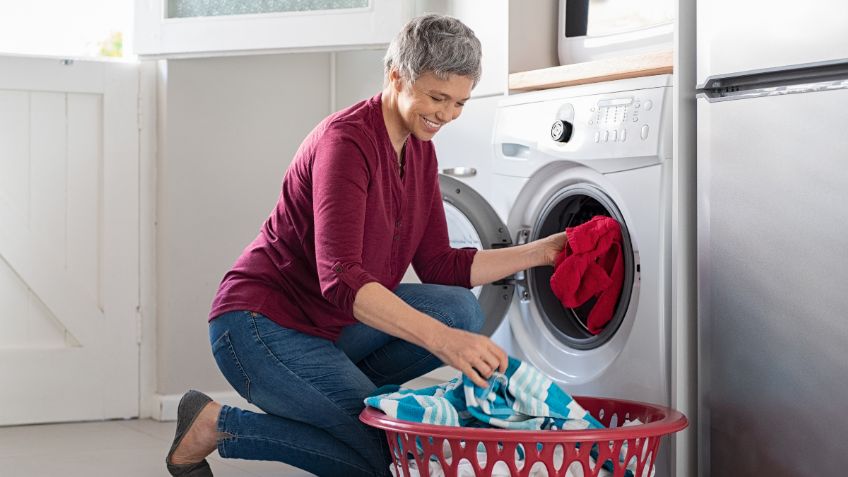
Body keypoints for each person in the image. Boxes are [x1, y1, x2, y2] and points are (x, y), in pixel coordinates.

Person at [164, 13, 567, 477]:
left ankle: (337, 406)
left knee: (459, 310)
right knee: (387, 455)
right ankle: (217, 426)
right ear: (396, 76)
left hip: (333, 328)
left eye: (459, 103)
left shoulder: (420, 149)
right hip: (261, 327)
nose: (447, 115)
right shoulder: (346, 143)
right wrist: (445, 343)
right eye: (437, 97)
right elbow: (341, 280)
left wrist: (542, 251)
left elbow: (439, 264)